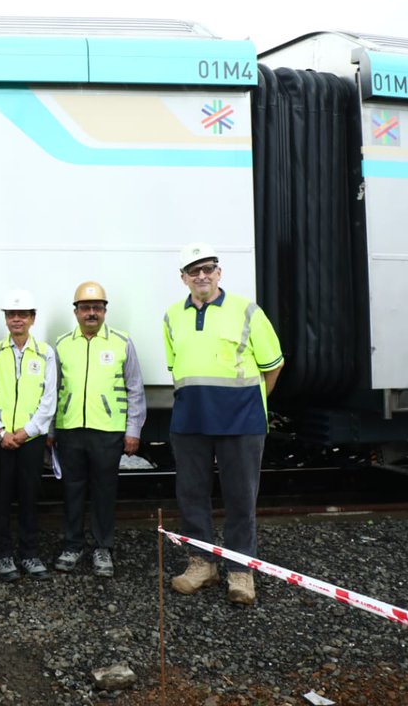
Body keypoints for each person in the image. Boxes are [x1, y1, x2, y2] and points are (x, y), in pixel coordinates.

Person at [165, 242, 283, 605]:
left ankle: (240, 571)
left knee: (240, 497)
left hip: (242, 421)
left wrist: (252, 403)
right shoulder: (172, 316)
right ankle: (202, 564)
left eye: (208, 268)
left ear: (219, 272)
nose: (202, 276)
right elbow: (176, 367)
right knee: (191, 494)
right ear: (183, 278)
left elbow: (274, 364)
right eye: (194, 270)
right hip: (190, 420)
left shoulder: (247, 311)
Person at [51, 281, 146, 578]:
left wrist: (133, 430)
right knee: (72, 490)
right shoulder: (62, 344)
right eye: (85, 308)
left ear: (105, 311)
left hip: (108, 431)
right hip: (70, 430)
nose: (91, 313)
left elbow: (135, 388)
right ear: (76, 312)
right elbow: (53, 390)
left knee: (105, 491)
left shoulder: (121, 342)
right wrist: (52, 430)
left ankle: (103, 547)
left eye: (97, 307)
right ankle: (72, 545)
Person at [0, 289, 58, 582]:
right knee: (1, 497)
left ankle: (29, 553)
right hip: (2, 439)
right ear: (5, 319)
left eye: (23, 315)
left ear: (32, 318)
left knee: (30, 497)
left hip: (31, 439)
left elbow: (49, 398)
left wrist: (27, 431)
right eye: (11, 314)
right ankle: (2, 555)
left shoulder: (45, 353)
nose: (17, 319)